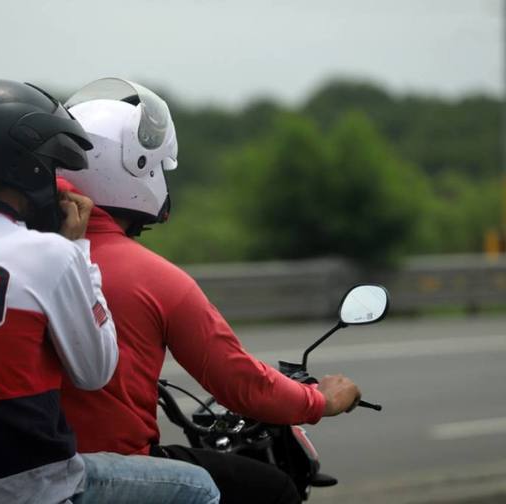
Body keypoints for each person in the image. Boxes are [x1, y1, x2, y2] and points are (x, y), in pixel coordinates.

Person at [0, 79, 219, 504]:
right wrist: (78, 248)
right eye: (52, 165)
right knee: (198, 488)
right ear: (26, 165)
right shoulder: (52, 256)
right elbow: (95, 371)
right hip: (28, 487)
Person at [57, 78, 363, 504]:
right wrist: (320, 400)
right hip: (113, 469)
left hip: (21, 468)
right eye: (157, 167)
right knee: (273, 489)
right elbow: (240, 384)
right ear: (133, 167)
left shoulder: (21, 253)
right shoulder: (153, 277)